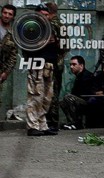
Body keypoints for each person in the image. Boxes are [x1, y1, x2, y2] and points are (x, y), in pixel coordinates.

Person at [23, 3, 58, 136]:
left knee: (47, 97)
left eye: (47, 14)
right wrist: (41, 41)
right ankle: (32, 126)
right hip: (36, 64)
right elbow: (26, 46)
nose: (45, 17)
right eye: (42, 14)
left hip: (49, 65)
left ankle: (42, 125)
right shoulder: (31, 28)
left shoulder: (51, 28)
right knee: (35, 96)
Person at [60, 55, 104, 129]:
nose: (71, 67)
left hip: (89, 103)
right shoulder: (79, 76)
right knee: (62, 102)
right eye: (70, 65)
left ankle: (76, 123)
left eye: (74, 64)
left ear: (81, 65)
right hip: (83, 101)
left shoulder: (87, 76)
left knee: (68, 98)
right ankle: (72, 123)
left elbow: (91, 93)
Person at [44, 2, 68, 131]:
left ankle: (51, 123)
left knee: (50, 93)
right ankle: (52, 122)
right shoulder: (62, 25)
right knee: (54, 92)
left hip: (51, 62)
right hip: (58, 62)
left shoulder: (50, 25)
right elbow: (67, 46)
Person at [0, 4, 17, 111]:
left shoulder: (13, 34)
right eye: (5, 13)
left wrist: (6, 72)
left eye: (9, 14)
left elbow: (13, 56)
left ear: (12, 17)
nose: (6, 16)